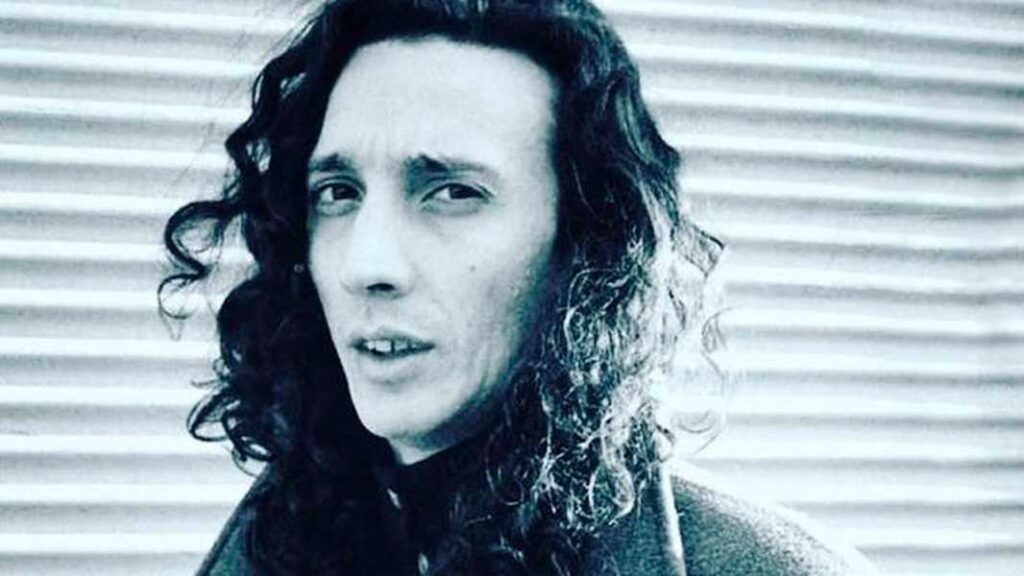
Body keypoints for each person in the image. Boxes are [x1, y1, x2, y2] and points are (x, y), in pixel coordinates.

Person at [161, 0, 877, 574]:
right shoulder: (264, 547)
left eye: (452, 192)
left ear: (582, 245)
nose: (365, 264)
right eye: (339, 192)